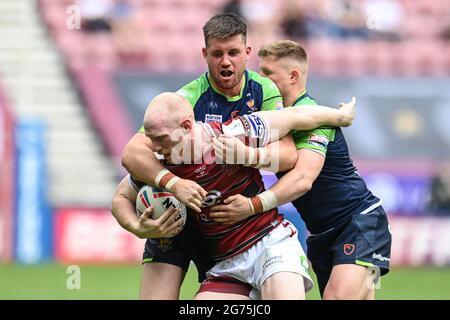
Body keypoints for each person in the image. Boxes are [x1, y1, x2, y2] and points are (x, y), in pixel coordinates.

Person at [119, 13, 298, 299]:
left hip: (228, 233)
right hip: (173, 223)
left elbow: (287, 155)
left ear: (247, 53)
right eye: (217, 54)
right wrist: (171, 186)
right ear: (205, 54)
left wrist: (246, 155)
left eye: (233, 53)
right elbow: (133, 153)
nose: (225, 61)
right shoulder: (188, 98)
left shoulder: (263, 91)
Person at [112, 92, 355, 299]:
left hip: (270, 245)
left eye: (159, 138)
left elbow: (295, 117)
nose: (152, 146)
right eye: (150, 138)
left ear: (186, 127)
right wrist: (139, 228)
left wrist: (340, 116)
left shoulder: (231, 134)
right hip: (227, 264)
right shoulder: (161, 166)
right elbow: (121, 198)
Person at [210, 40, 392, 300]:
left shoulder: (313, 118)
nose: (261, 80)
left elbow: (303, 179)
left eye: (268, 73)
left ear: (293, 76)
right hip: (320, 232)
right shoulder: (276, 118)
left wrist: (252, 206)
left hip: (357, 221)